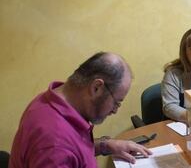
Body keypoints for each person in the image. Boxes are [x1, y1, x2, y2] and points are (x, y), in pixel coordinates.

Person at [9, 52, 152, 168]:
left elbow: (74, 149)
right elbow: (62, 148)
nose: (115, 111)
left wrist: (106, 145)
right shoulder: (55, 147)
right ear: (96, 88)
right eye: (116, 102)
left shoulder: (49, 100)